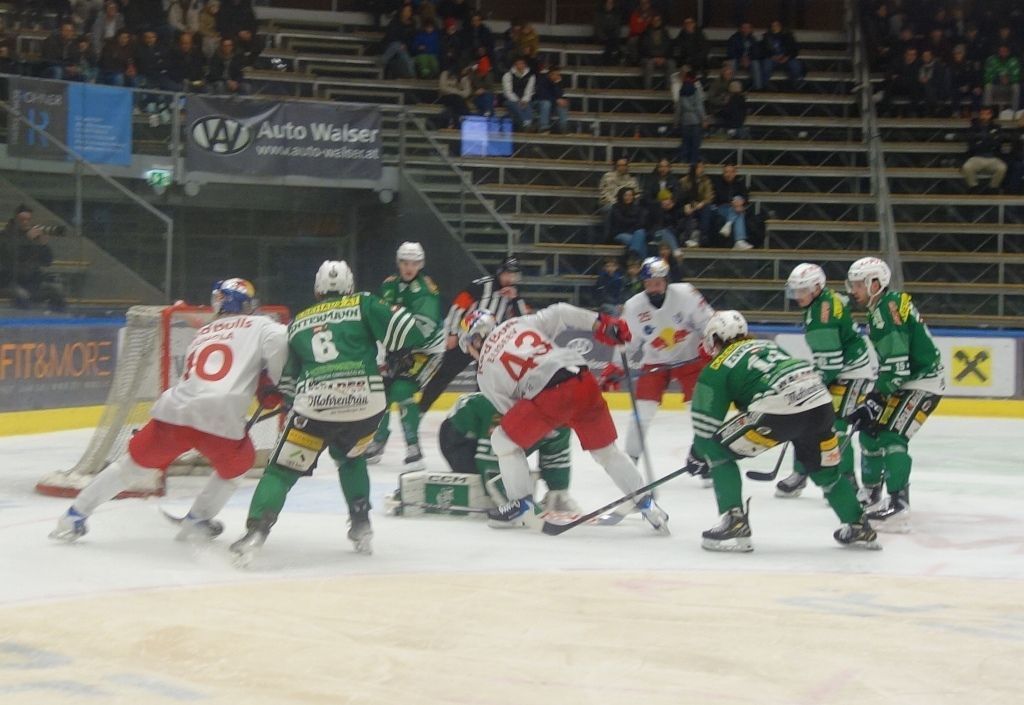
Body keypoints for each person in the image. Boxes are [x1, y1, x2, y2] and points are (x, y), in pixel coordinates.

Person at [50, 279, 288, 542]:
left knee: (130, 466)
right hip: (221, 419)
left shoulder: (204, 333)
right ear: (246, 304)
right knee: (237, 466)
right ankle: (198, 520)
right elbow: (279, 340)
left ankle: (74, 516)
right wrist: (279, 384)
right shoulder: (261, 325)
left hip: (177, 411)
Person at [229, 261, 430, 564]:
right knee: (351, 458)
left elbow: (288, 382)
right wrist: (399, 357)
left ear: (317, 290)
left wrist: (292, 399)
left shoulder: (298, 322)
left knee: (281, 472)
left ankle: (255, 532)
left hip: (316, 407)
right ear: (349, 286)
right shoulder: (364, 302)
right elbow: (412, 333)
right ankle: (362, 525)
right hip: (366, 407)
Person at [457, 305, 669, 532]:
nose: (471, 352)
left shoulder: (484, 371)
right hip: (583, 380)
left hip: (550, 396)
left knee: (503, 440)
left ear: (475, 339)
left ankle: (520, 505)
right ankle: (647, 504)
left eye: (469, 346)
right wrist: (601, 322)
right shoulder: (516, 324)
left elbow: (512, 412)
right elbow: (560, 312)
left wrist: (547, 423)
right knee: (607, 452)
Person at [683, 310, 880, 552]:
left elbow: (705, 425)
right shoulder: (769, 346)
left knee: (717, 450)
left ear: (716, 338)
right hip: (820, 404)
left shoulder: (717, 367)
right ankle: (858, 525)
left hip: (776, 411)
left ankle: (734, 521)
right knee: (825, 472)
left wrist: (698, 454)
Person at [845, 257, 944, 533]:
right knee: (869, 432)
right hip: (906, 381)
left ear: (875, 283)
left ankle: (899, 504)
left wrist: (875, 398)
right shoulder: (884, 306)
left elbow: (898, 364)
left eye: (858, 284)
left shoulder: (886, 310)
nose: (853, 290)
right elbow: (895, 365)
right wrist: (874, 400)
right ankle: (872, 494)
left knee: (891, 436)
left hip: (924, 382)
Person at [774, 263, 875, 499]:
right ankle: (801, 472)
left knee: (835, 426)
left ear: (817, 288)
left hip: (853, 373)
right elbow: (846, 302)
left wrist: (810, 386)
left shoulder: (822, 317)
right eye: (795, 290)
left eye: (803, 290)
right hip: (839, 368)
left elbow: (831, 364)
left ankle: (847, 481)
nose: (798, 296)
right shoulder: (824, 299)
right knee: (805, 418)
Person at [600, 257, 713, 466]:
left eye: (658, 282)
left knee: (701, 410)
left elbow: (709, 323)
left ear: (666, 281)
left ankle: (704, 455)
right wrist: (615, 366)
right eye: (649, 283)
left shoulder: (686, 294)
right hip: (655, 362)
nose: (653, 287)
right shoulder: (634, 307)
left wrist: (710, 346)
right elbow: (628, 342)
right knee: (642, 412)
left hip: (691, 358)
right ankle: (631, 458)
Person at [364, 242, 446, 470]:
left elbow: (423, 330)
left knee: (401, 390)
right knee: (381, 391)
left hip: (426, 351)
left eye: (414, 263)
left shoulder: (427, 290)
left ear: (420, 264)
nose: (409, 267)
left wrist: (397, 347)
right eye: (405, 263)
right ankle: (378, 441)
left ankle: (414, 447)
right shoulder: (389, 285)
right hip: (400, 348)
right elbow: (383, 320)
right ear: (398, 263)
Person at [435, 391, 578, 513]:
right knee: (482, 489)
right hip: (459, 434)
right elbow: (490, 462)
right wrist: (515, 503)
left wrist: (558, 490)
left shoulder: (562, 420)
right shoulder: (505, 411)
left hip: (499, 427)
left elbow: (555, 456)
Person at [418, 255, 528, 414]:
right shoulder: (480, 286)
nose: (511, 279)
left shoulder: (515, 293)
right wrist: (452, 334)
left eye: (515, 275)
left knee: (485, 383)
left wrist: (515, 299)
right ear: (499, 272)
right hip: (465, 339)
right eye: (508, 274)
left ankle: (481, 416)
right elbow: (457, 308)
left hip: (490, 346)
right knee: (444, 375)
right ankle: (421, 410)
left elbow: (523, 320)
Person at [0, 205, 66, 312]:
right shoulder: (4, 236)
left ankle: (59, 322)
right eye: (22, 220)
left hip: (32, 280)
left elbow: (47, 262)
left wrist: (43, 245)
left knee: (56, 291)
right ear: (15, 220)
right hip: (10, 279)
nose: (25, 222)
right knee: (21, 295)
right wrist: (27, 240)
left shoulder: (34, 236)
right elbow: (10, 257)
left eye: (28, 219)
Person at [962, 105, 1007, 193]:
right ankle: (974, 187)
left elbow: (998, 143)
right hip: (976, 157)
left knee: (1002, 168)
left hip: (993, 157)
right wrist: (989, 139)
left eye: (987, 114)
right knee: (967, 167)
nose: (985, 116)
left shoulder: (997, 127)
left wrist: (982, 141)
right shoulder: (973, 128)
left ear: (991, 115)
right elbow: (971, 144)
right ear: (979, 115)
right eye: (982, 114)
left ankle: (993, 188)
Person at [760, 19, 805, 88]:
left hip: (787, 58)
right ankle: (765, 85)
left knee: (796, 66)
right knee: (766, 65)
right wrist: (772, 56)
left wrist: (786, 57)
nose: (775, 27)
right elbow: (763, 50)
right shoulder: (766, 37)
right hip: (772, 58)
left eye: (777, 25)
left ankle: (793, 84)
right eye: (773, 26)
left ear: (781, 26)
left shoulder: (788, 36)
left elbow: (794, 50)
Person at [609, 186, 648, 259]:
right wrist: (634, 220)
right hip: (620, 233)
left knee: (641, 232)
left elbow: (641, 223)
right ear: (621, 196)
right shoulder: (616, 207)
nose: (628, 197)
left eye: (630, 195)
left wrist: (631, 222)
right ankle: (641, 262)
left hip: (635, 232)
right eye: (626, 195)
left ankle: (632, 256)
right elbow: (621, 221)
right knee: (640, 241)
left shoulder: (638, 208)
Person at [640, 13, 676, 90]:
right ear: (652, 21)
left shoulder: (666, 33)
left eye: (658, 20)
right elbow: (643, 48)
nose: (656, 22)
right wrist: (654, 58)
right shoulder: (645, 33)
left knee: (671, 63)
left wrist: (663, 58)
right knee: (649, 64)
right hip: (649, 58)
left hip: (663, 58)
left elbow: (669, 48)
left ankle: (668, 89)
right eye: (654, 20)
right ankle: (647, 89)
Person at [502, 56, 535, 131]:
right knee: (516, 106)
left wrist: (524, 100)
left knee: (528, 106)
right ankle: (526, 123)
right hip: (510, 100)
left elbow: (529, 90)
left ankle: (527, 124)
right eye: (518, 63)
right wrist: (518, 101)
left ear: (525, 65)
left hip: (525, 100)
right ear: (515, 65)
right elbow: (508, 92)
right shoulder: (508, 75)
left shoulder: (531, 76)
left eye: (522, 63)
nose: (520, 65)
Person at [533, 65, 569, 134]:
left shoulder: (558, 82)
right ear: (550, 74)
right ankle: (544, 127)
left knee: (562, 104)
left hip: (551, 103)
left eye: (558, 74)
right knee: (546, 103)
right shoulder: (542, 80)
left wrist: (557, 84)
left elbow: (559, 95)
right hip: (538, 103)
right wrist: (556, 100)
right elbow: (542, 95)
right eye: (556, 74)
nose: (558, 76)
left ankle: (564, 128)